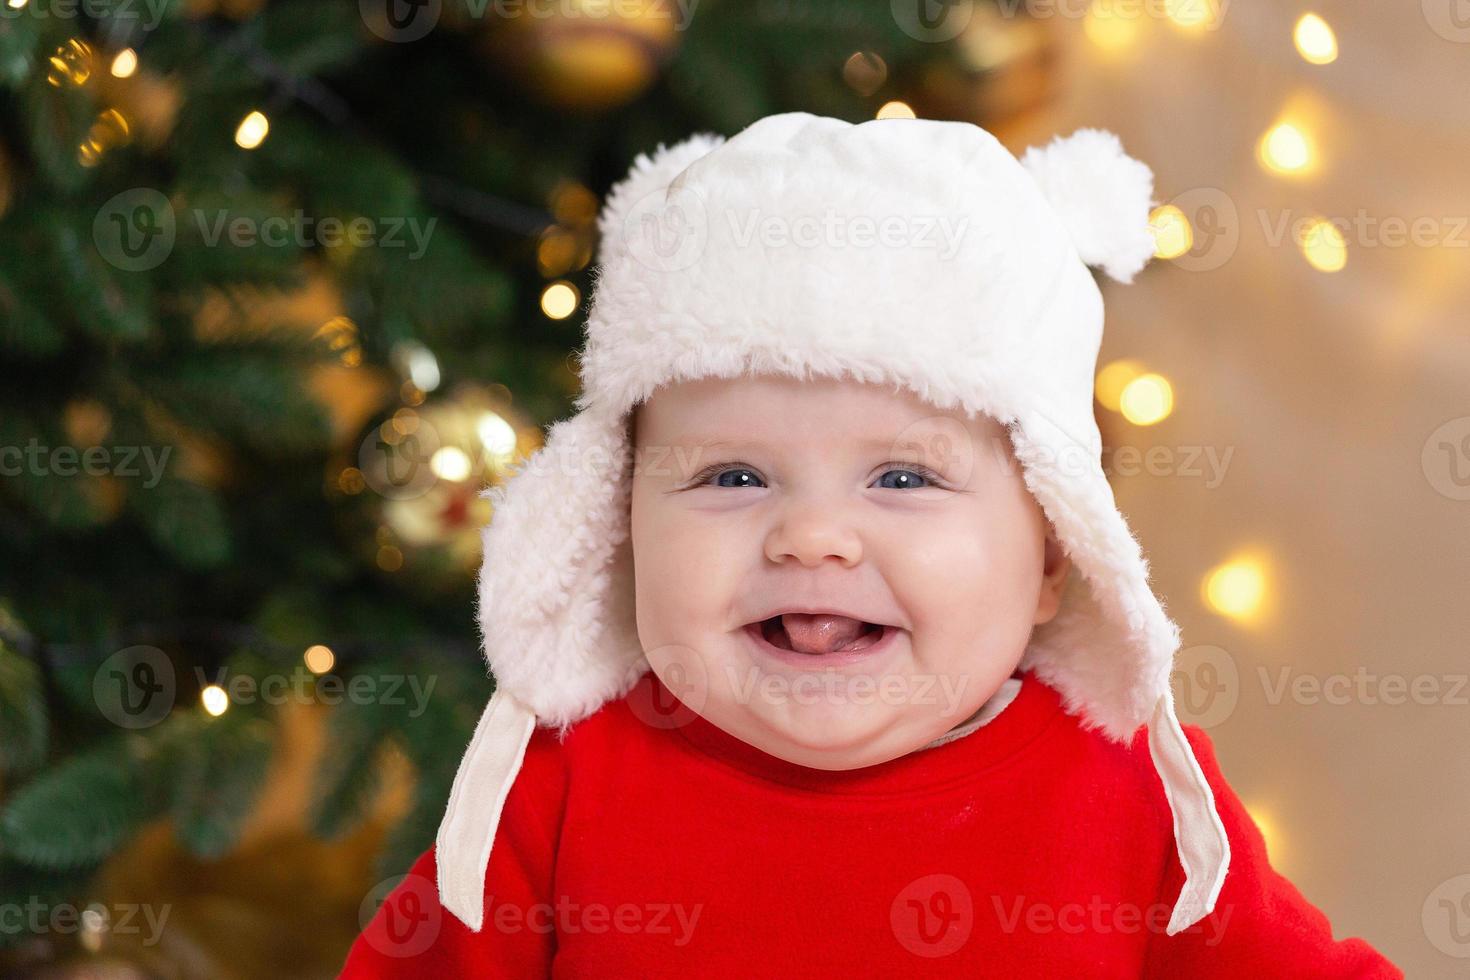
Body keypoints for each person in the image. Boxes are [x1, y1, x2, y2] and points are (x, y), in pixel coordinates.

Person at [340, 111, 1401, 977]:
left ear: (1052, 551)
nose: (810, 535)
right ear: (619, 518)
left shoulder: (1124, 784)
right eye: (731, 475)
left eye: (903, 476)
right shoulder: (567, 776)